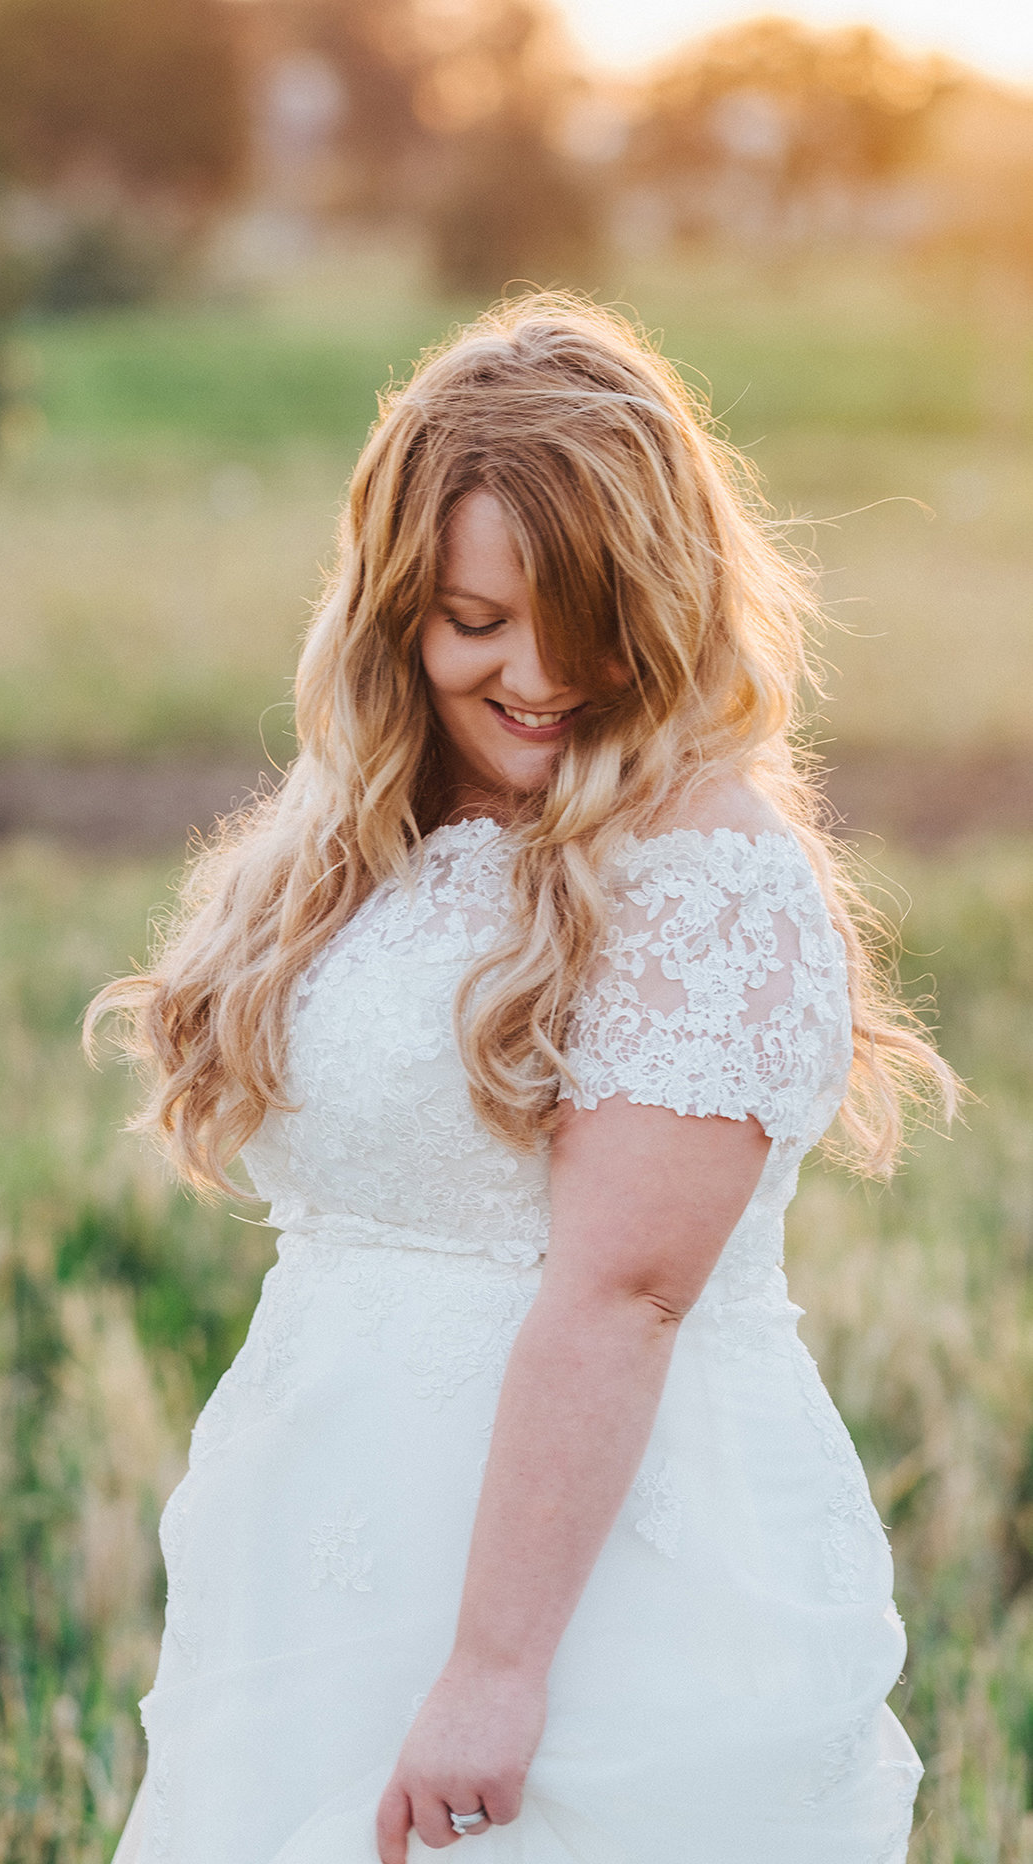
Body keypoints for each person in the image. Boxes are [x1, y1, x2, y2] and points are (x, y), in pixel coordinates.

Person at [89, 296, 956, 1863]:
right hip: (326, 1558)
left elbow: (623, 1292)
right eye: (474, 622)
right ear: (393, 611)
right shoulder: (383, 830)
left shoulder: (704, 868)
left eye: (581, 618)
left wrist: (493, 1674)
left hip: (591, 1600)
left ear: (669, 595)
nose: (536, 678)